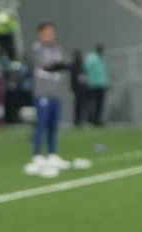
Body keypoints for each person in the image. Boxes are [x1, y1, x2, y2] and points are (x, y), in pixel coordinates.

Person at [25, 22, 71, 176]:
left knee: (53, 125)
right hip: (42, 93)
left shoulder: (57, 49)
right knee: (41, 124)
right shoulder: (36, 49)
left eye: (53, 32)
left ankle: (52, 154)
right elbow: (47, 66)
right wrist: (61, 65)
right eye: (48, 32)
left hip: (55, 92)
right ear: (40, 33)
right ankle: (37, 155)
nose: (51, 35)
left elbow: (66, 63)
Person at [82, 45, 110, 126]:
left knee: (98, 103)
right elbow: (86, 69)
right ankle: (92, 118)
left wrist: (107, 83)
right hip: (93, 84)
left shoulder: (100, 58)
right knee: (94, 103)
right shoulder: (92, 58)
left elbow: (104, 72)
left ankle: (96, 119)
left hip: (99, 84)